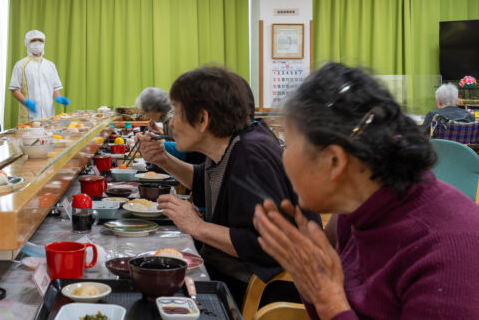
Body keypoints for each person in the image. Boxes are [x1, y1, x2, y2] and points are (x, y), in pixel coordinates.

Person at [253, 62, 479, 319]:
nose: (283, 156)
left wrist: (329, 301)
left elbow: (337, 305)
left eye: (288, 143)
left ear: (334, 161)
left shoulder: (447, 249)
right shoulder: (357, 211)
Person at [137, 66, 320, 303]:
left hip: (260, 291)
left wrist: (198, 226)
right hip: (229, 274)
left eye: (178, 112)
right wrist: (162, 159)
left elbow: (266, 244)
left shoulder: (251, 155)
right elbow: (205, 182)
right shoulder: (233, 144)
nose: (172, 123)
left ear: (203, 119)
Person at [9, 30, 68, 124]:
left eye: (40, 41)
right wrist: (27, 102)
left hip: (49, 116)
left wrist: (58, 97)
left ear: (44, 43)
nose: (37, 43)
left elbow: (55, 88)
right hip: (29, 116)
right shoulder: (20, 65)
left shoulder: (50, 65)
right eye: (33, 41)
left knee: (48, 138)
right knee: (30, 138)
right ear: (27, 43)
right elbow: (15, 90)